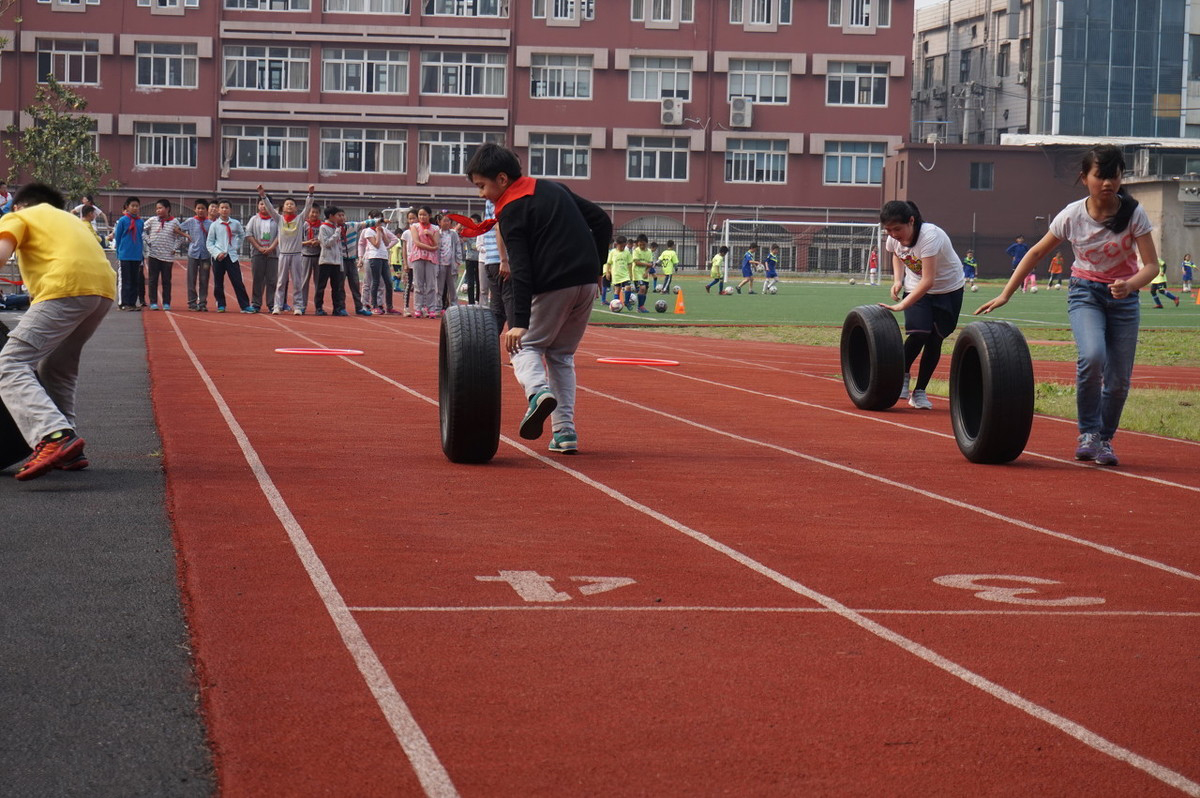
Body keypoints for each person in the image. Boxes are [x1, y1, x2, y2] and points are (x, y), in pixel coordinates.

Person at [976, 145, 1160, 466]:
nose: (1107, 183)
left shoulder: (1134, 214)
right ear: (1084, 177)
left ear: (1121, 177)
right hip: (1085, 293)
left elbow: (1151, 266)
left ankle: (1104, 440)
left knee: (1118, 381)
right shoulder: (1072, 215)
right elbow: (1034, 253)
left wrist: (1130, 285)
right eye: (1100, 175)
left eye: (1114, 176)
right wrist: (1006, 293)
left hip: (1124, 300)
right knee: (1091, 357)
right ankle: (1088, 433)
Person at [464, 142, 612, 454]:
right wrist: (597, 266)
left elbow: (520, 268)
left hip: (553, 284)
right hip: (586, 283)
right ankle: (565, 433)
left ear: (502, 179)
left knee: (524, 346)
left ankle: (536, 392)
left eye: (482, 186)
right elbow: (601, 220)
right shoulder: (554, 188)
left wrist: (518, 322)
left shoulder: (512, 211)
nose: (481, 195)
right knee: (561, 356)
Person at [0, 182, 116, 480]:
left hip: (64, 288)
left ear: (19, 205)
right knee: (57, 368)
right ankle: (70, 447)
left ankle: (53, 435)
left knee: (10, 363)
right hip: (101, 291)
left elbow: (1, 253)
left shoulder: (19, 216)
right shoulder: (70, 220)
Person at [878, 200, 965, 411]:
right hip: (917, 288)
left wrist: (902, 305)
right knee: (918, 333)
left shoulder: (930, 236)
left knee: (935, 340)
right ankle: (902, 376)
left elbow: (929, 280)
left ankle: (920, 392)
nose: (893, 234)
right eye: (888, 230)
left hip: (948, 290)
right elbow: (896, 256)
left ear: (911, 221)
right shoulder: (893, 239)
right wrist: (898, 280)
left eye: (897, 229)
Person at [259, 184, 315, 315]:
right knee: (280, 282)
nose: (289, 206)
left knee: (297, 282)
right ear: (283, 207)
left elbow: (308, 208)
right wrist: (263, 195)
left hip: (296, 255)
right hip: (283, 255)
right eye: (287, 204)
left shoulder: (300, 219)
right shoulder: (279, 219)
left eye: (292, 204)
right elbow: (270, 208)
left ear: (296, 208)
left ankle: (298, 306)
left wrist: (310, 194)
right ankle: (277, 306)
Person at [206, 199, 256, 313]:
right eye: (222, 207)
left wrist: (235, 246)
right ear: (219, 210)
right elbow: (209, 242)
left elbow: (241, 235)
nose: (224, 210)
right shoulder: (214, 225)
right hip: (218, 257)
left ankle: (244, 306)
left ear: (230, 210)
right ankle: (221, 304)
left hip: (231, 256)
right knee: (218, 282)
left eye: (226, 207)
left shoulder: (236, 223)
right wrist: (217, 253)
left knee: (237, 281)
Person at [142, 199, 187, 310]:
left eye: (160, 208)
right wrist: (148, 241)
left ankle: (166, 302)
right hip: (154, 255)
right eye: (157, 208)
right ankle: (153, 302)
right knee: (153, 280)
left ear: (167, 209)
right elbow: (141, 230)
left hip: (167, 257)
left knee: (166, 280)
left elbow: (181, 237)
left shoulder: (175, 222)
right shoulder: (152, 220)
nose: (158, 210)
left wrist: (174, 248)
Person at [359, 211, 398, 314]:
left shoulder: (383, 229)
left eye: (380, 218)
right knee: (372, 282)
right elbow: (376, 244)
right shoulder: (368, 231)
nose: (378, 221)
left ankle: (388, 306)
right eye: (376, 219)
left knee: (388, 283)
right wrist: (360, 258)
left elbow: (387, 242)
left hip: (383, 257)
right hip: (373, 257)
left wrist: (382, 233)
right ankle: (372, 304)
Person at [244, 197, 279, 313]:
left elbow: (280, 235)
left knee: (272, 280)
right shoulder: (254, 219)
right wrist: (259, 247)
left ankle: (272, 304)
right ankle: (256, 303)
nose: (263, 206)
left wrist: (271, 248)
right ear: (258, 206)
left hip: (273, 253)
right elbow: (249, 234)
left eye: (266, 204)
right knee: (257, 279)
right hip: (257, 253)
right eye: (261, 204)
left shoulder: (277, 219)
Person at [112, 197, 145, 311]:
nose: (135, 208)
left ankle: (132, 303)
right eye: (133, 206)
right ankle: (123, 303)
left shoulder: (140, 222)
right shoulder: (122, 220)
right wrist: (119, 253)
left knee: (135, 280)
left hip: (136, 255)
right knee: (126, 280)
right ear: (127, 207)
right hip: (125, 255)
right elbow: (118, 237)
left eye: (137, 206)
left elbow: (140, 237)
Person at [407, 206, 440, 319]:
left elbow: (437, 244)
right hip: (418, 256)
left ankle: (431, 308)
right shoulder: (414, 227)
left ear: (429, 216)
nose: (422, 217)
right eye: (420, 215)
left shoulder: (435, 228)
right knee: (418, 284)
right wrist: (431, 248)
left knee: (431, 284)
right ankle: (418, 308)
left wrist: (430, 235)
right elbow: (416, 242)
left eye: (424, 215)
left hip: (430, 258)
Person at [315, 206, 348, 316]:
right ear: (331, 216)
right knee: (321, 286)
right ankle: (319, 307)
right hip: (326, 261)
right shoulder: (323, 227)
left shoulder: (336, 227)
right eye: (337, 215)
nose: (339, 217)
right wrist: (336, 234)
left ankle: (337, 308)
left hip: (336, 262)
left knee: (337, 287)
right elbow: (326, 243)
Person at [180, 199, 213, 311]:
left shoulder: (210, 224)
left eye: (203, 208)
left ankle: (203, 303)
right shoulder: (191, 221)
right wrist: (185, 235)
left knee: (204, 279)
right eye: (198, 208)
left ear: (206, 210)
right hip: (193, 254)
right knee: (191, 279)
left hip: (206, 256)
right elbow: (177, 228)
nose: (200, 210)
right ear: (195, 209)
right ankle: (192, 302)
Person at [341, 217, 372, 316]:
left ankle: (359, 307)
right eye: (339, 215)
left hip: (351, 260)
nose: (341, 217)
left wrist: (381, 220)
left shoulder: (352, 226)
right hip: (340, 260)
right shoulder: (333, 227)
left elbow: (365, 223)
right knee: (339, 286)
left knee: (355, 284)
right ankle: (340, 307)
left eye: (343, 215)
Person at [298, 204, 323, 315]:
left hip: (319, 256)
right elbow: (298, 241)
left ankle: (318, 307)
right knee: (304, 282)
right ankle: (302, 305)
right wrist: (308, 242)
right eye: (312, 212)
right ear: (308, 213)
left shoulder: (322, 225)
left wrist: (319, 242)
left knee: (319, 283)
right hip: (306, 255)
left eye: (316, 212)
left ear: (319, 213)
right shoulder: (304, 225)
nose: (314, 214)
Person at [436, 211, 461, 313]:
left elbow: (458, 247)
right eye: (444, 221)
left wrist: (458, 260)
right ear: (439, 222)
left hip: (451, 264)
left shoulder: (453, 234)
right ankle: (437, 306)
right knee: (439, 287)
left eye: (448, 221)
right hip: (440, 264)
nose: (446, 223)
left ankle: (454, 306)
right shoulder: (437, 233)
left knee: (452, 287)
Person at [605, 236, 632, 309]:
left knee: (628, 287)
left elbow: (630, 264)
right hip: (616, 275)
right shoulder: (612, 252)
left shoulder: (627, 252)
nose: (623, 248)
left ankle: (626, 302)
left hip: (625, 274)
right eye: (621, 246)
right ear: (616, 244)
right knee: (617, 290)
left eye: (624, 246)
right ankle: (616, 305)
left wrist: (631, 274)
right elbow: (609, 263)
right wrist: (607, 272)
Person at [629, 234, 653, 312]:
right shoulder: (636, 251)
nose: (642, 246)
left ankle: (641, 306)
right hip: (637, 274)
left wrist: (646, 272)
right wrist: (647, 264)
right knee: (642, 288)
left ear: (646, 243)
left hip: (644, 274)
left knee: (645, 290)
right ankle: (640, 307)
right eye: (640, 244)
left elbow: (650, 263)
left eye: (643, 244)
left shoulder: (649, 251)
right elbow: (636, 262)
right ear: (638, 243)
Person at [461, 215, 481, 304]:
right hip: (469, 259)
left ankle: (478, 300)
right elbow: (459, 234)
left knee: (479, 280)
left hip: (479, 259)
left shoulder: (481, 232)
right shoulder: (467, 232)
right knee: (470, 282)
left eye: (474, 222)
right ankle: (471, 301)